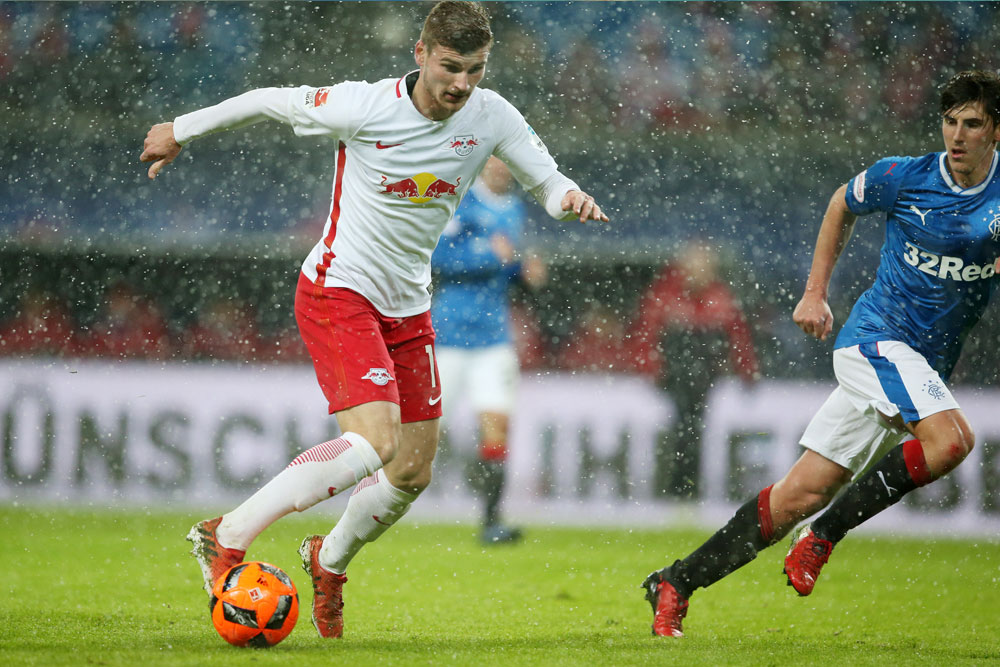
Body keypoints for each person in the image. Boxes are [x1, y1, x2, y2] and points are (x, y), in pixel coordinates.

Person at [140, 0, 608, 639]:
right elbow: (271, 100)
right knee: (374, 443)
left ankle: (327, 562)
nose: (461, 84)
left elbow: (545, 180)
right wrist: (182, 128)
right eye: (449, 66)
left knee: (412, 471)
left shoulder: (492, 115)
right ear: (420, 53)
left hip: (408, 305)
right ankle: (226, 533)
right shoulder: (364, 105)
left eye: (474, 69)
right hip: (339, 290)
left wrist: (567, 199)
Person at [642, 70, 999, 637]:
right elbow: (842, 202)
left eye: (972, 124)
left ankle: (676, 582)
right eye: (950, 121)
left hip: (918, 367)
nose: (957, 135)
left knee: (795, 496)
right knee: (952, 440)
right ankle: (824, 537)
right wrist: (814, 293)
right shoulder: (905, 177)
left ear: (995, 131)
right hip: (876, 341)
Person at [431, 156, 545, 545]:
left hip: (494, 336)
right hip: (448, 335)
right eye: (493, 160)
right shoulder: (458, 201)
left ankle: (491, 522)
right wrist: (490, 256)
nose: (501, 169)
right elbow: (436, 258)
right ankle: (379, 505)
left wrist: (522, 271)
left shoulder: (514, 208)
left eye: (506, 161)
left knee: (497, 428)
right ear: (482, 162)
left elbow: (506, 264)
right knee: (425, 432)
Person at [626, 240, 759, 498]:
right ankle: (679, 483)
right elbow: (645, 334)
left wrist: (746, 372)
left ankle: (685, 484)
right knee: (684, 427)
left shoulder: (720, 298)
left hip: (704, 376)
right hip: (673, 375)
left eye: (704, 267)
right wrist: (650, 370)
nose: (698, 273)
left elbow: (738, 339)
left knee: (692, 428)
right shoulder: (665, 294)